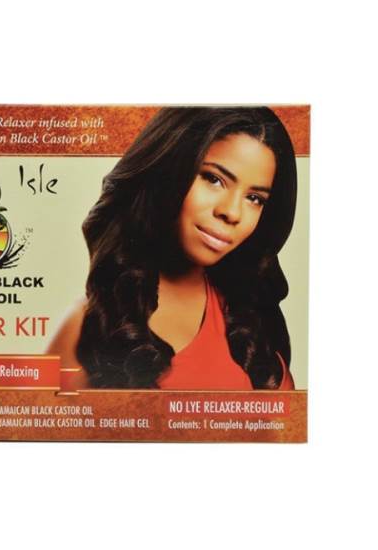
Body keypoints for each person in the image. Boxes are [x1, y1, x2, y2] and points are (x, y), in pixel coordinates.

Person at [47, 107, 297, 390]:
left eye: (254, 198)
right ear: (169, 169)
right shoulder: (86, 329)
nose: (232, 212)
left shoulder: (255, 326)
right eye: (213, 179)